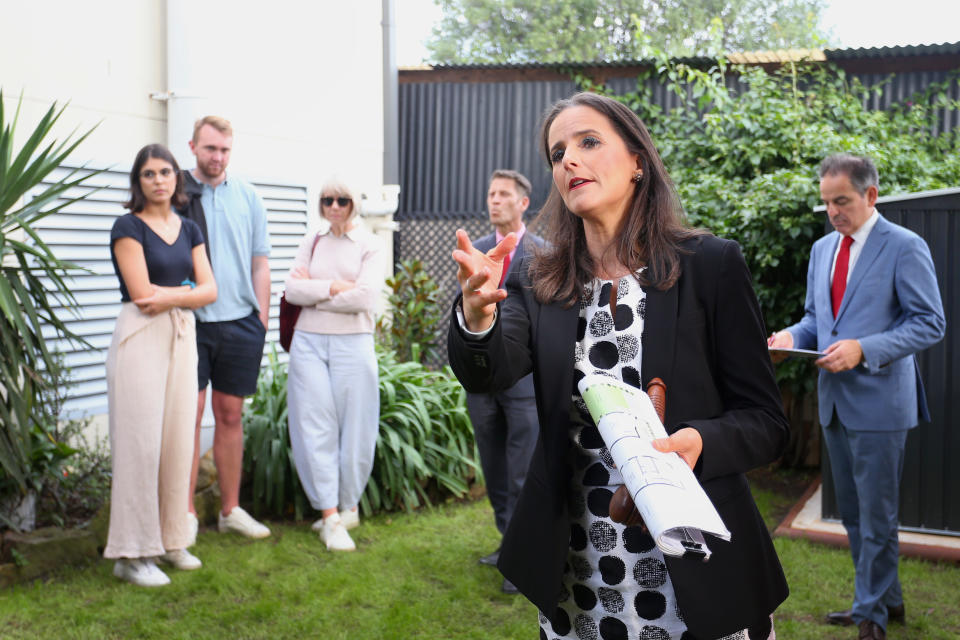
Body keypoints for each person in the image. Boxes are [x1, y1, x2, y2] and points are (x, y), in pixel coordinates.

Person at [448, 92, 789, 639]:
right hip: (579, 567)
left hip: (694, 559)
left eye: (587, 142)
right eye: (558, 153)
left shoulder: (710, 266)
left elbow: (766, 423)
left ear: (636, 161)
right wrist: (475, 315)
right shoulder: (540, 281)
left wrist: (700, 442)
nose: (569, 161)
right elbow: (489, 372)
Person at [768, 154, 945, 640]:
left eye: (841, 201)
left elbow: (930, 322)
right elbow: (815, 321)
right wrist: (788, 338)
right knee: (852, 513)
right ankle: (886, 599)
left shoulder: (905, 246)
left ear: (871, 194)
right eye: (826, 203)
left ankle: (871, 614)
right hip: (835, 404)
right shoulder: (823, 249)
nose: (833, 212)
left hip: (882, 404)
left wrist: (864, 349)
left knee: (878, 516)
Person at [104, 143, 217, 586]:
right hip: (139, 337)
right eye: (148, 174)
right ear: (139, 181)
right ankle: (132, 554)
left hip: (181, 337)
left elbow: (212, 290)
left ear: (177, 179)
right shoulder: (127, 226)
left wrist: (175, 296)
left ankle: (172, 541)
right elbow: (142, 296)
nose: (158, 180)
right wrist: (182, 293)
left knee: (176, 442)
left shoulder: (189, 228)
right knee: (141, 445)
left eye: (165, 172)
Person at [184, 116, 273, 539]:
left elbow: (260, 262)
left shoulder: (249, 197)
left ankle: (230, 510)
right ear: (193, 147)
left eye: (224, 150)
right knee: (189, 415)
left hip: (240, 323)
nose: (217, 157)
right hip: (192, 323)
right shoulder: (179, 194)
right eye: (210, 149)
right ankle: (182, 513)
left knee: (230, 415)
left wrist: (261, 319)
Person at [283, 180, 384, 551]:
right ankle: (328, 515)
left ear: (354, 204)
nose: (335, 206)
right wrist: (335, 288)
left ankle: (348, 505)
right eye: (328, 200)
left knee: (357, 423)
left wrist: (316, 292)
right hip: (308, 342)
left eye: (343, 200)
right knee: (313, 423)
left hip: (354, 343)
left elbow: (366, 296)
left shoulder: (369, 244)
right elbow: (292, 290)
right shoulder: (312, 241)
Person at [466, 169, 543, 594]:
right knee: (493, 467)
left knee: (522, 470)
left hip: (525, 383)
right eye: (491, 193)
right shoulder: (476, 251)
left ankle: (522, 555)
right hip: (481, 383)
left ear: (523, 202)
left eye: (503, 194)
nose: (494, 200)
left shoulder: (542, 253)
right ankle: (506, 541)